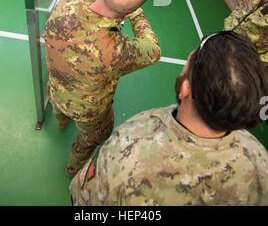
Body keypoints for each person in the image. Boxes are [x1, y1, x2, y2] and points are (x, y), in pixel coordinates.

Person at [70, 31, 268, 206]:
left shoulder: (125, 150)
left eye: (187, 64)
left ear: (185, 89)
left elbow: (81, 198)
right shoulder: (259, 160)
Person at [43, 0, 161, 178]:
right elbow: (153, 49)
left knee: (59, 110)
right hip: (89, 112)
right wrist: (136, 14)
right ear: (126, 15)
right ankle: (73, 168)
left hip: (57, 89)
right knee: (89, 139)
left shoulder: (65, 4)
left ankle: (61, 121)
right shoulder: (117, 51)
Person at [224, 0, 268, 66]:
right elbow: (243, 3)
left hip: (246, 62)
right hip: (226, 39)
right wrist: (229, 23)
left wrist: (254, 62)